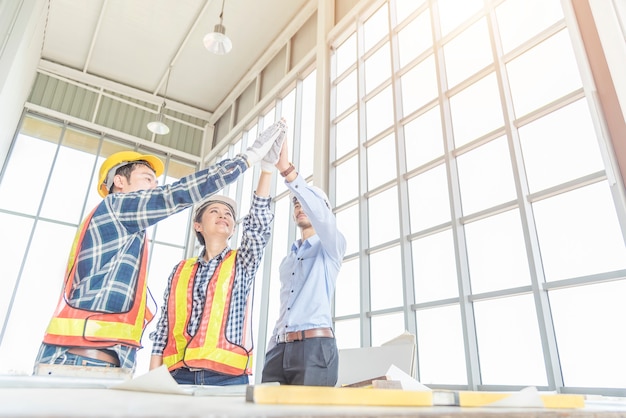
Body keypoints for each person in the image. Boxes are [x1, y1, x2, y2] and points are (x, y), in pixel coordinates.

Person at [33, 118, 287, 375]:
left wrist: (266, 172)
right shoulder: (117, 207)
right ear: (119, 182)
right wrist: (246, 159)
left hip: (106, 357)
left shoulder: (127, 234)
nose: (155, 186)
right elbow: (174, 194)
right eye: (147, 178)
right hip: (87, 357)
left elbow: (257, 229)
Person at [148, 146, 281, 385]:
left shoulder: (242, 262)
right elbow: (164, 328)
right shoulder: (180, 271)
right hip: (178, 376)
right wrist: (152, 379)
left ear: (232, 227)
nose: (224, 215)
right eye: (214, 211)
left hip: (227, 378)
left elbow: (258, 227)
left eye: (229, 214)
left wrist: (267, 171)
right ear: (197, 226)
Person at [261, 141, 347, 386]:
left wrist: (288, 171)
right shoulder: (288, 261)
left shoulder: (332, 247)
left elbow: (323, 218)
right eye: (295, 203)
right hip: (279, 350)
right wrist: (272, 349)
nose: (299, 206)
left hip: (314, 349)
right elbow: (284, 312)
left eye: (304, 203)